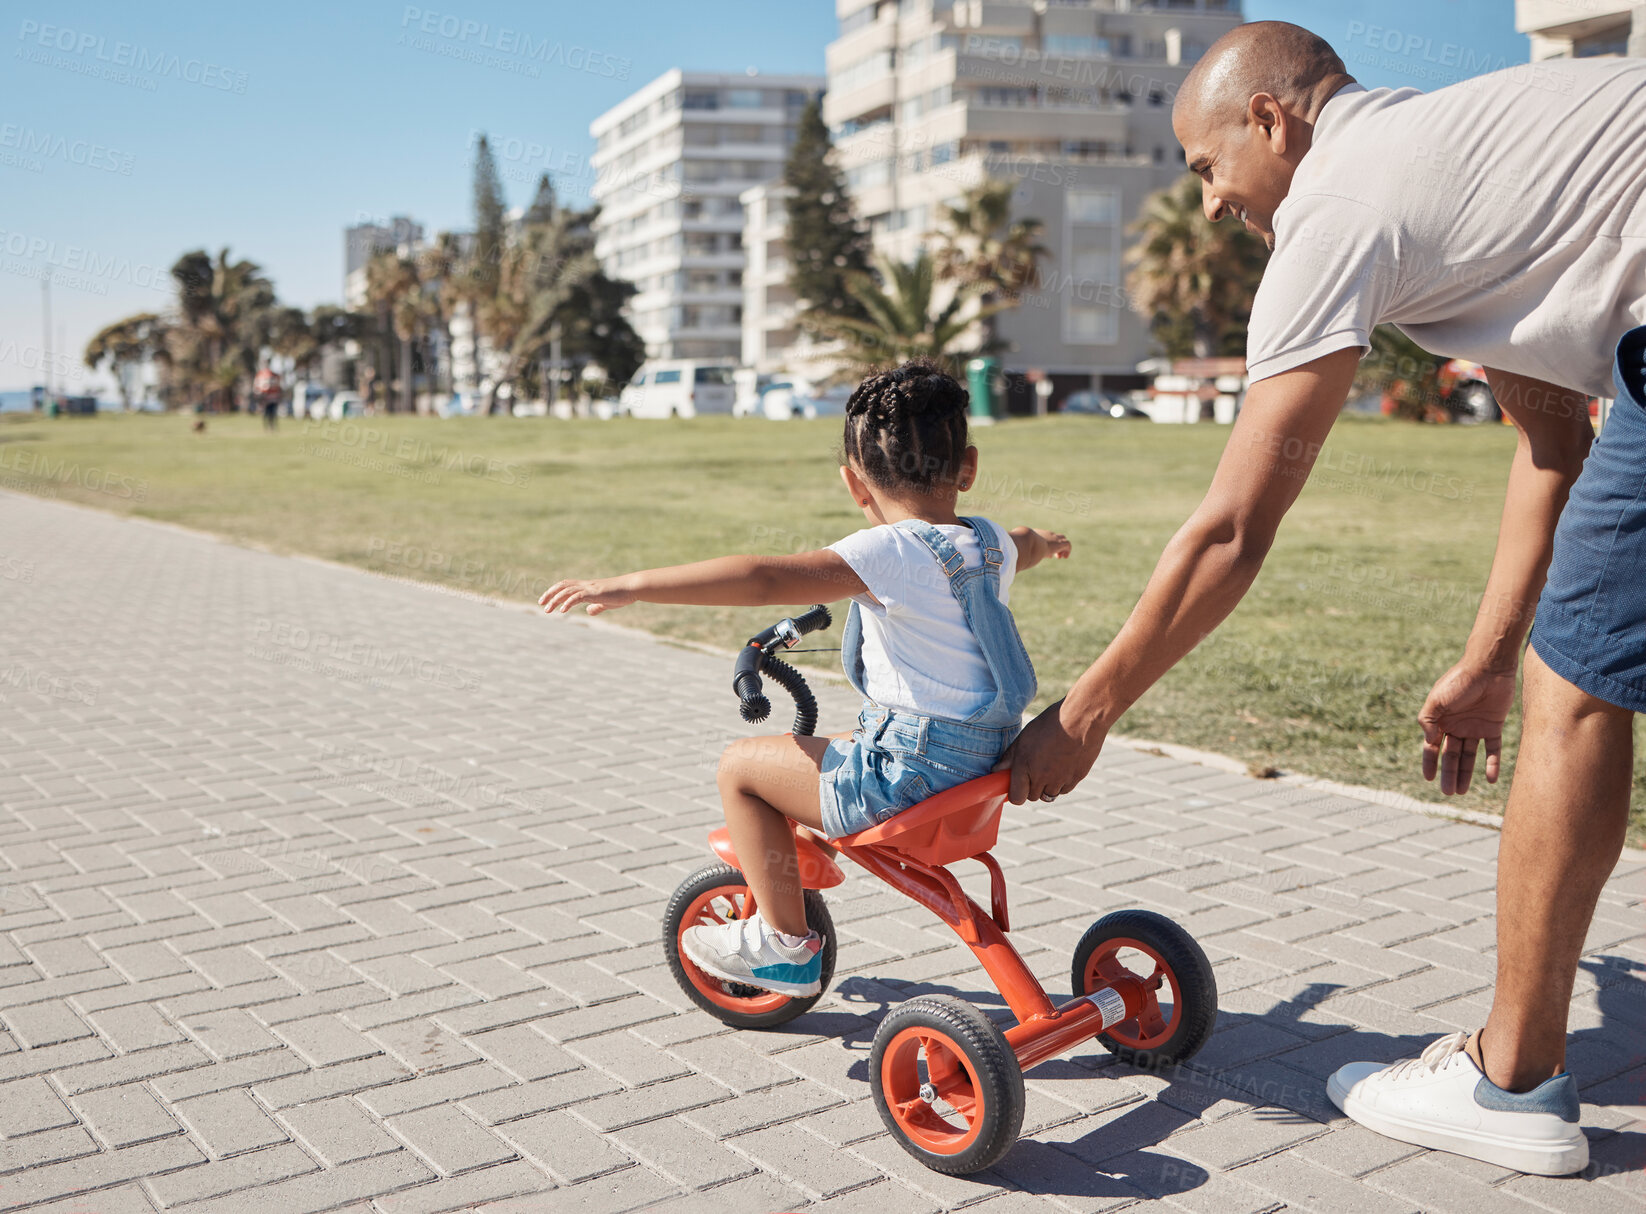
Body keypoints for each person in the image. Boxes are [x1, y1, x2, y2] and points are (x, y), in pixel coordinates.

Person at [997, 22, 1645, 1177]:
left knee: (1579, 690)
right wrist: (1487, 658)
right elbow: (1552, 443)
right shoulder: (1468, 176)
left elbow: (1233, 527)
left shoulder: (1335, 206)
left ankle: (1508, 1084)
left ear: (1270, 121)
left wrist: (1082, 712)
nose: (1205, 207)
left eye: (1204, 169)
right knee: (1559, 668)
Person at [540, 362, 1070, 996]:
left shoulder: (890, 552)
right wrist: (1051, 540)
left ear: (854, 484)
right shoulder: (989, 544)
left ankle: (783, 947)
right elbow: (1028, 541)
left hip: (915, 774)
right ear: (969, 468)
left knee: (741, 768)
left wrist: (628, 585)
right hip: (982, 760)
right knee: (827, 745)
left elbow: (762, 578)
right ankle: (788, 900)